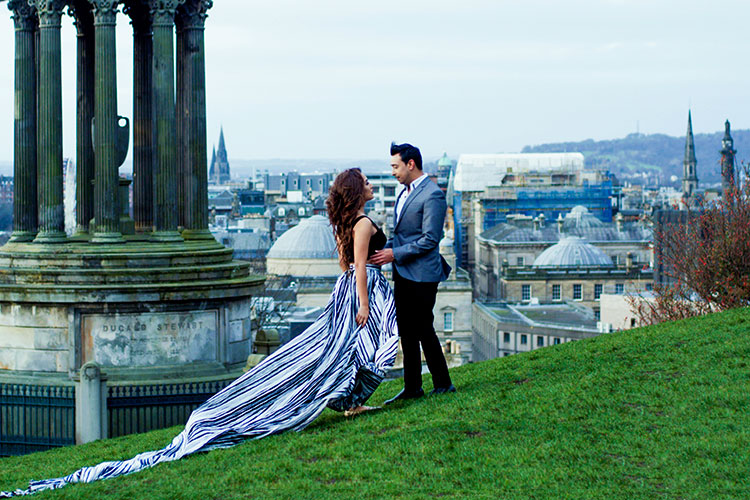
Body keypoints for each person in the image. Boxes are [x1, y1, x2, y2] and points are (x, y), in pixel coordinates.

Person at [1, 168, 398, 498]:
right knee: (363, 349)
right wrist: (364, 303)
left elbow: (349, 264)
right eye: (365, 181)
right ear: (356, 191)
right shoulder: (363, 223)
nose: (370, 184)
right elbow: (360, 268)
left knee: (338, 353)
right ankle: (349, 401)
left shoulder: (345, 223)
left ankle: (349, 401)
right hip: (359, 292)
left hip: (344, 290)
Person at [371, 142, 455, 403]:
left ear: (411, 164)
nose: (392, 172)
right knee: (406, 330)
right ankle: (412, 388)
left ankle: (443, 383)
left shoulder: (433, 195)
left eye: (396, 166)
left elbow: (430, 239)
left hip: (423, 274)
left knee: (423, 327)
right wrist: (380, 252)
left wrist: (394, 254)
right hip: (403, 272)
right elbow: (403, 236)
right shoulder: (404, 193)